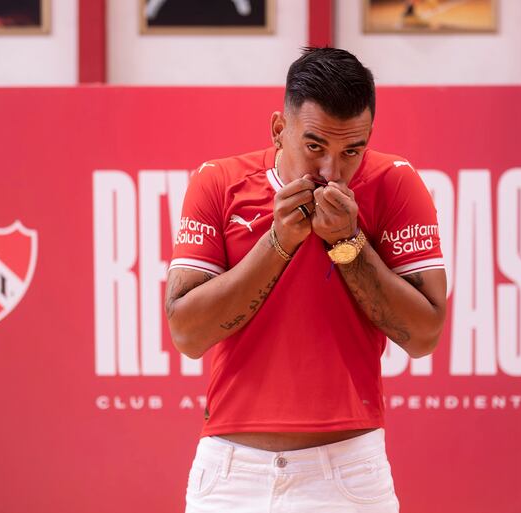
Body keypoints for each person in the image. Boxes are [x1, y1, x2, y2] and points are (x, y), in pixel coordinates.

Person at [165, 47, 447, 512]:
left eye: (351, 151)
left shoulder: (396, 183)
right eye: (314, 146)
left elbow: (423, 335)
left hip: (348, 472)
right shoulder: (217, 182)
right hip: (232, 475)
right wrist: (278, 242)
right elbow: (187, 333)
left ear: (369, 138)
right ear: (279, 129)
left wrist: (349, 243)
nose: (331, 172)